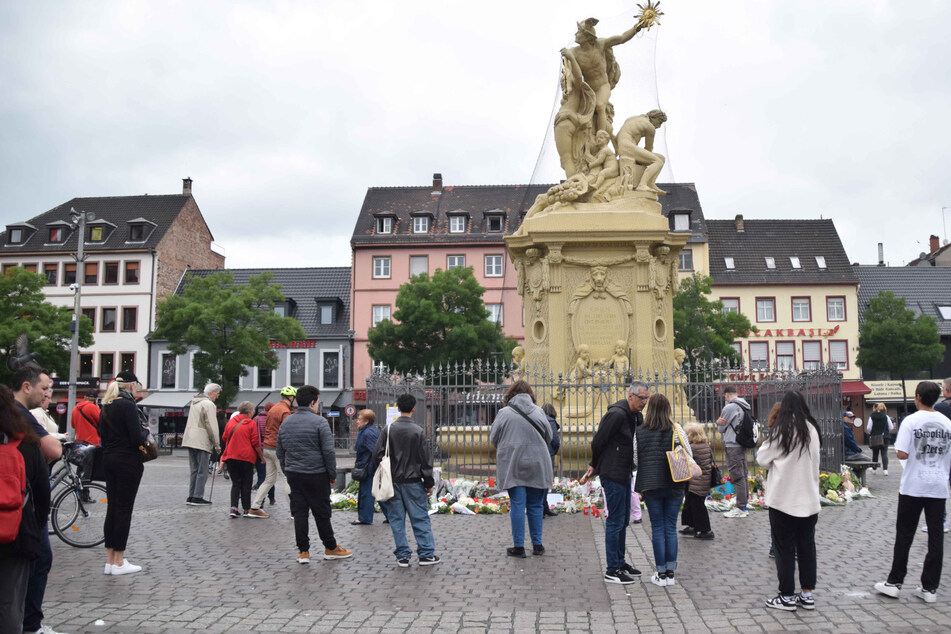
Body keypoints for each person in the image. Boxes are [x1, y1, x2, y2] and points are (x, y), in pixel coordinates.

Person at [874, 381, 951, 604]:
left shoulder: (911, 421)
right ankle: (930, 588)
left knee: (905, 534)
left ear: (917, 397)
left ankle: (895, 582)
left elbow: (901, 453)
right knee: (936, 537)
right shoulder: (947, 423)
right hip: (938, 486)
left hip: (913, 485)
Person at [757, 391, 822, 611]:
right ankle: (807, 594)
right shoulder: (812, 429)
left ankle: (786, 596)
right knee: (807, 548)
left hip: (784, 499)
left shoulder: (782, 430)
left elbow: (762, 458)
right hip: (809, 499)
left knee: (784, 549)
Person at [276, 385, 352, 564]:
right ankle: (330, 547)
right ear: (312, 402)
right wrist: (332, 473)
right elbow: (328, 452)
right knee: (322, 512)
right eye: (317, 401)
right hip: (316, 474)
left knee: (300, 512)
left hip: (294, 473)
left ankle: (303, 551)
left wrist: (287, 468)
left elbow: (280, 450)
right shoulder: (320, 422)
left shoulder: (287, 422)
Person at [582, 381, 648, 585]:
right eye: (641, 398)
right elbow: (598, 441)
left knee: (623, 519)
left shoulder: (635, 416)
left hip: (625, 471)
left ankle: (620, 562)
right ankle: (612, 569)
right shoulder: (617, 415)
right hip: (613, 471)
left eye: (646, 398)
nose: (644, 402)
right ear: (630, 396)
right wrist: (595, 464)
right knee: (615, 520)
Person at [11, 365, 61, 634]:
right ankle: (30, 624)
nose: (46, 395)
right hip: (23, 498)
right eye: (43, 389)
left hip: (19, 494)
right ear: (26, 387)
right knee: (38, 557)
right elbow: (53, 449)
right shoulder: (19, 413)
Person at [0, 385, 49, 634]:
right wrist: (34, 524)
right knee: (10, 603)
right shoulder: (27, 443)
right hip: (15, 532)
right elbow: (43, 494)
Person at [371, 393, 440, 567]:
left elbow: (377, 455)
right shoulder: (418, 431)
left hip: (393, 481)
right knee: (420, 518)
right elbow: (426, 460)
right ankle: (426, 554)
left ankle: (402, 555)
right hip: (414, 481)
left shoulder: (388, 430)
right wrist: (429, 483)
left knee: (396, 519)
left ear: (398, 408)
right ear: (414, 408)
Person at [490, 381, 553, 557]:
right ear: (530, 395)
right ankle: (537, 545)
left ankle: (519, 547)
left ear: (511, 394)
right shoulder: (539, 411)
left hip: (513, 463)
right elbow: (549, 436)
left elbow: (494, 438)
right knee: (535, 505)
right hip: (538, 463)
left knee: (518, 504)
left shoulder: (504, 413)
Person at [634, 393, 691, 587]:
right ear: (668, 409)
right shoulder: (676, 429)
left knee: (657, 528)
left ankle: (660, 573)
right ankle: (670, 573)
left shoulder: (640, 430)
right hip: (675, 482)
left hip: (651, 483)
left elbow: (635, 458)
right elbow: (688, 453)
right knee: (670, 527)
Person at [100, 370, 148, 576]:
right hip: (127, 461)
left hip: (108, 459)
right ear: (131, 385)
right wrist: (145, 431)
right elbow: (137, 438)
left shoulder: (106, 405)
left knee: (112, 508)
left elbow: (100, 434)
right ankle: (119, 561)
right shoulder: (128, 405)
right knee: (124, 510)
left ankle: (110, 560)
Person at [248, 386, 296, 517]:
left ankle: (255, 507)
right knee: (287, 478)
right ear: (291, 398)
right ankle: (295, 511)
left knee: (269, 479)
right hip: (278, 449)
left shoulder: (273, 408)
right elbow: (288, 432)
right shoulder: (285, 411)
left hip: (267, 448)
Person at [181, 383, 221, 505]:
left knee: (194, 469)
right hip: (201, 440)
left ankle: (191, 495)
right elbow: (212, 425)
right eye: (217, 393)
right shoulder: (209, 404)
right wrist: (216, 444)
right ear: (213, 392)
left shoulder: (195, 402)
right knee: (202, 470)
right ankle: (198, 496)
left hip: (190, 439)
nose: (217, 396)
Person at [221, 401, 262, 519]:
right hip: (246, 457)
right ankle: (246, 508)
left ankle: (233, 508)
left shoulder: (231, 422)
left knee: (236, 483)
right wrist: (261, 456)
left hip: (231, 456)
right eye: (253, 411)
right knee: (246, 484)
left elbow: (224, 437)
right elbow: (255, 442)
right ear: (249, 412)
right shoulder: (251, 423)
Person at [716, 386, 752, 518]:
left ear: (726, 395)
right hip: (741, 443)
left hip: (733, 444)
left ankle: (740, 508)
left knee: (737, 476)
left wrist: (718, 422)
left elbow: (721, 429)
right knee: (743, 475)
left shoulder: (729, 407)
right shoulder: (745, 405)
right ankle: (744, 505)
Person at [616, 110, 668, 195]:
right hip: (627, 148)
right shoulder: (650, 127)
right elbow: (648, 148)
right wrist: (642, 161)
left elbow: (618, 135)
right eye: (660, 122)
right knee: (657, 161)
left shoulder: (633, 119)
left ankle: (650, 184)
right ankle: (642, 185)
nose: (659, 126)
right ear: (654, 118)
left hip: (624, 146)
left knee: (661, 158)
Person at [680, 422, 714, 540]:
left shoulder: (693, 447)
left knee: (697, 505)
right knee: (691, 503)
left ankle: (705, 530)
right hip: (703, 480)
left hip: (697, 481)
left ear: (692, 435)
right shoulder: (705, 445)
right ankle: (693, 525)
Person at [351, 409, 381, 526]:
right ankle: (390, 515)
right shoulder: (367, 431)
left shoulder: (368, 433)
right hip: (369, 466)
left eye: (359, 419)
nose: (357, 421)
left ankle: (365, 518)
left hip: (368, 468)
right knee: (376, 492)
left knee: (367, 493)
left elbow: (375, 451)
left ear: (366, 420)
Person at [250, 402, 275, 506]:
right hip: (271, 448)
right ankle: (271, 498)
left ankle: (261, 500)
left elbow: (253, 435)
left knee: (262, 475)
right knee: (271, 475)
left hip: (258, 450)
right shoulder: (273, 419)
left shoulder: (256, 419)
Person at [541, 403, 561, 518]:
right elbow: (555, 441)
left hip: (538, 454)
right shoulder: (551, 422)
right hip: (548, 454)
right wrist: (554, 451)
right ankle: (542, 508)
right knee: (546, 481)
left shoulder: (538, 420)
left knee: (540, 481)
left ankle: (544, 506)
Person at [866, 403, 894, 475]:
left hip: (875, 437)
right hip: (885, 437)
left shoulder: (872, 416)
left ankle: (874, 469)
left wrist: (871, 433)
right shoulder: (886, 416)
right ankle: (885, 470)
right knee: (884, 453)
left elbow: (869, 428)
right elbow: (891, 427)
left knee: (875, 453)